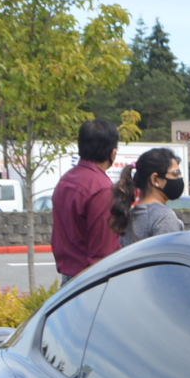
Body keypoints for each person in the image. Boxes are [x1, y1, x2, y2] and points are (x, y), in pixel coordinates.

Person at [49, 119, 121, 280]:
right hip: (90, 280)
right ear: (113, 153)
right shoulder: (101, 188)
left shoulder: (66, 180)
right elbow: (102, 252)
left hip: (69, 276)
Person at [111, 147, 186, 251]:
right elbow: (169, 262)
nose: (179, 179)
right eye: (175, 174)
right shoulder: (164, 217)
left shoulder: (129, 215)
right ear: (155, 179)